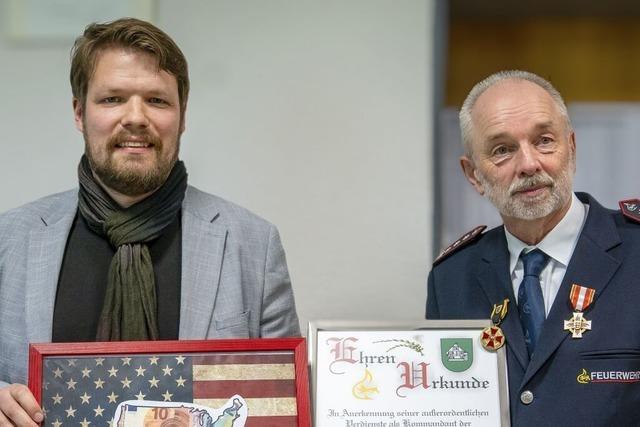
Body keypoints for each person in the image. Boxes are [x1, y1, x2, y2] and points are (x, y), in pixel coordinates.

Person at [0, 18, 300, 426]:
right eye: (112, 99)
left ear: (182, 114)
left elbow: (284, 405)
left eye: (157, 100)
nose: (135, 117)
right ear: (78, 112)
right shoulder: (9, 239)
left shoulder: (254, 244)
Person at [426, 70, 640, 425]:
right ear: (473, 175)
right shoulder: (451, 279)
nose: (528, 164)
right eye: (502, 150)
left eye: (543, 140)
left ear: (571, 148)